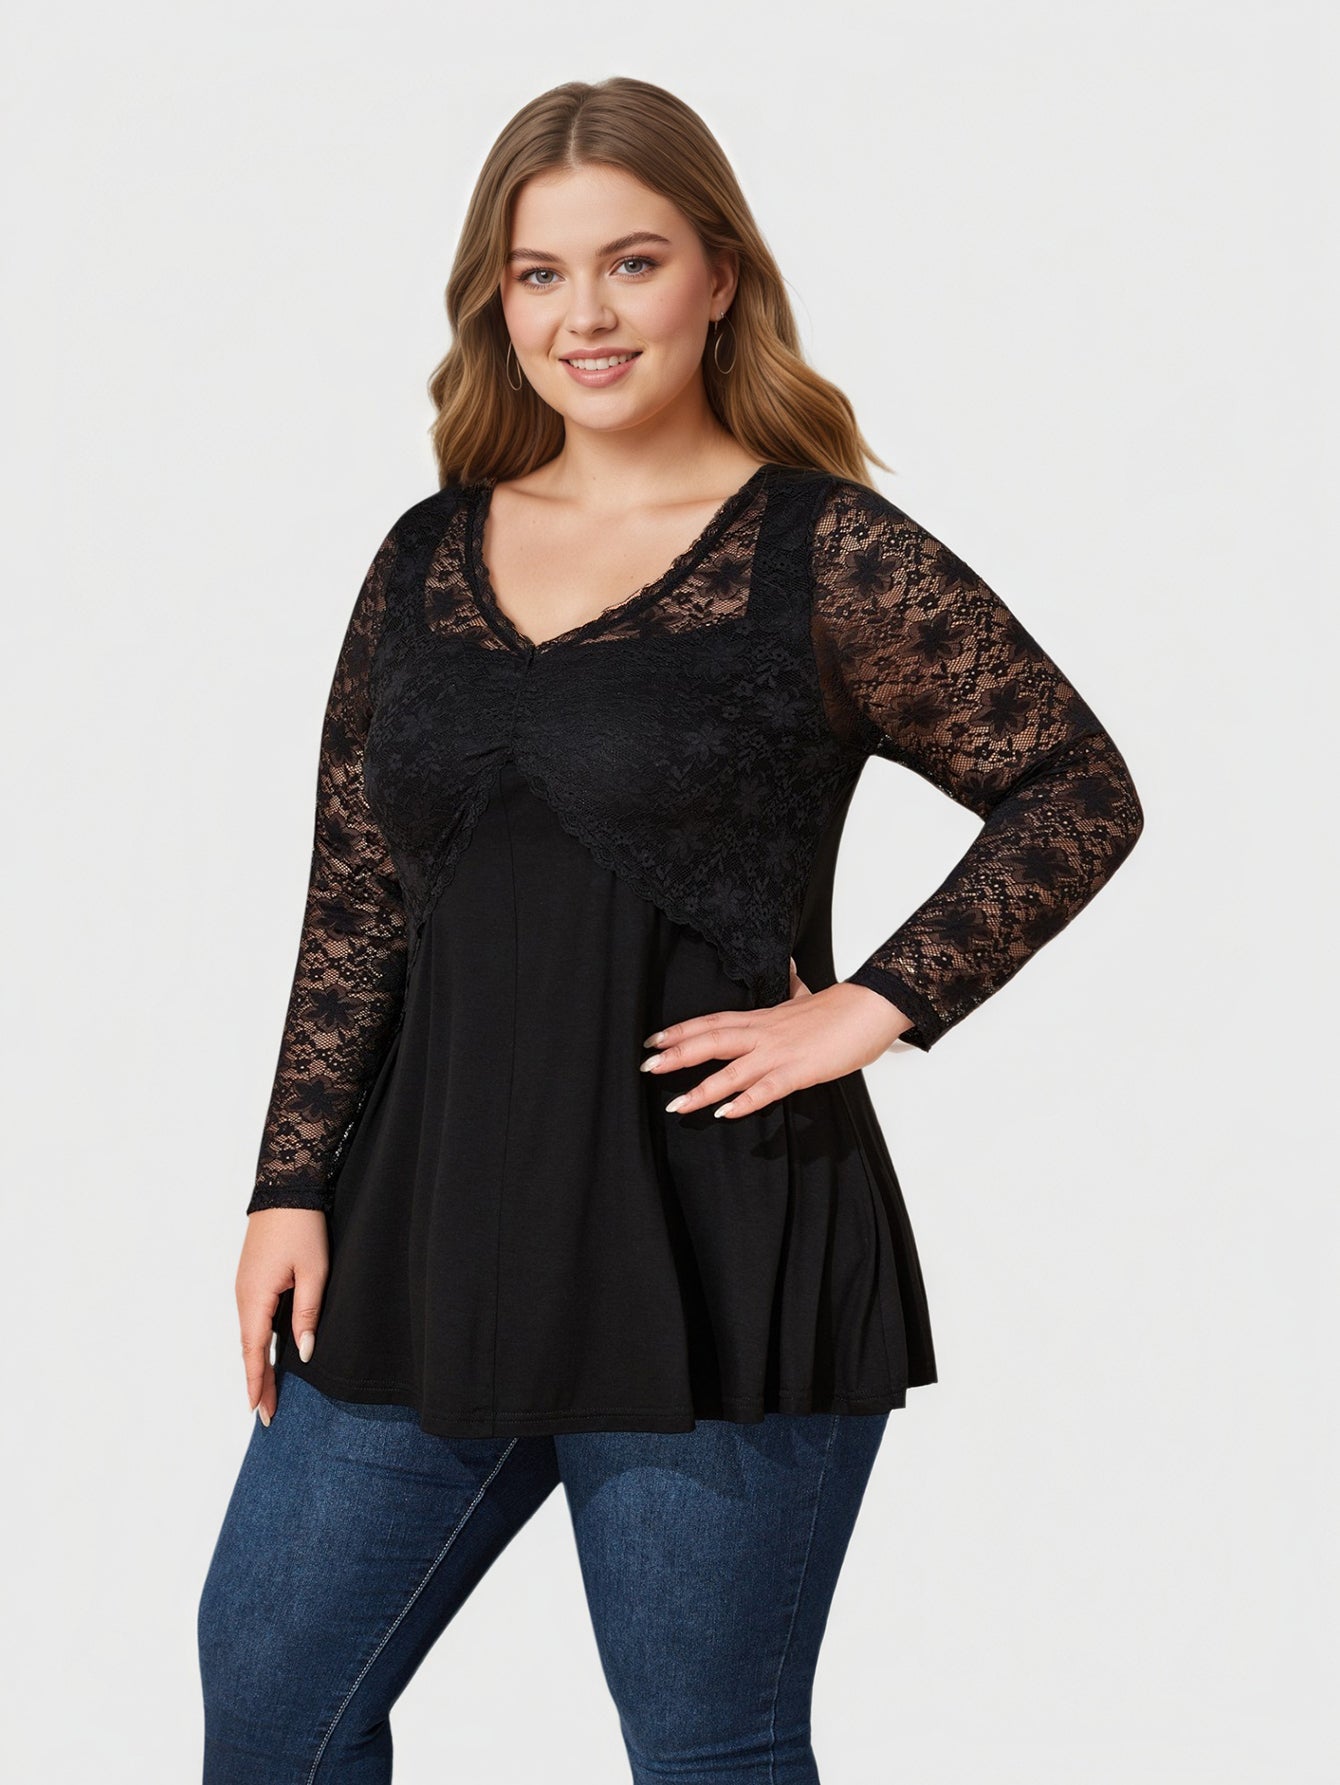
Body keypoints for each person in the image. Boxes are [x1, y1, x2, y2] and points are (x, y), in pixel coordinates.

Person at [197, 75, 1144, 1783]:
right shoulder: (422, 558)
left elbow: (1075, 786)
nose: (587, 314)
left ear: (719, 275)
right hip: (424, 1228)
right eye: (540, 273)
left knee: (707, 1749)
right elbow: (355, 894)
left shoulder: (823, 552)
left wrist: (874, 1004)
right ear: (498, 301)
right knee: (272, 1702)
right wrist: (289, 1181)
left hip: (717, 1243)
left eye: (631, 262)